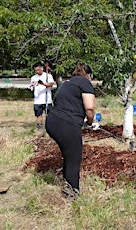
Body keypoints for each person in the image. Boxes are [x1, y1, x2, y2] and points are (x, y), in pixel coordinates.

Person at [45, 63, 95, 201]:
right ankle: (73, 195)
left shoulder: (67, 83)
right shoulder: (85, 83)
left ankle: (68, 186)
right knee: (74, 159)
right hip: (66, 123)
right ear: (89, 75)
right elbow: (89, 109)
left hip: (52, 121)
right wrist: (90, 122)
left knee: (68, 155)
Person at [29, 62, 55, 129]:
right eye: (36, 70)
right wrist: (32, 85)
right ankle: (39, 127)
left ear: (42, 68)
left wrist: (43, 83)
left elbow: (51, 84)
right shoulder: (33, 77)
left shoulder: (48, 76)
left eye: (38, 70)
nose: (37, 72)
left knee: (49, 115)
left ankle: (50, 127)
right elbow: (31, 88)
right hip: (37, 100)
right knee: (38, 115)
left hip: (47, 99)